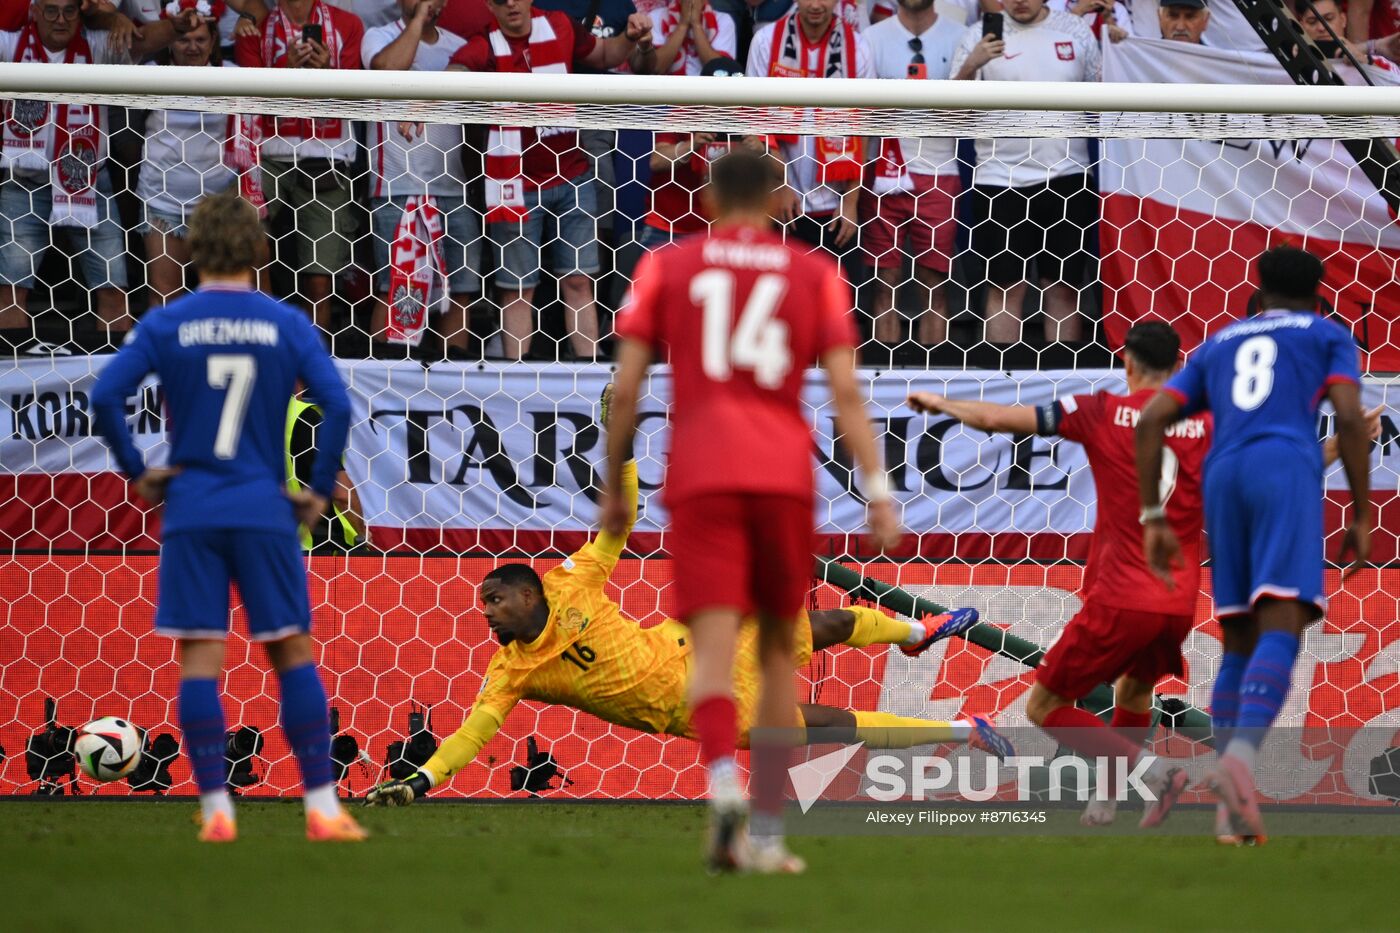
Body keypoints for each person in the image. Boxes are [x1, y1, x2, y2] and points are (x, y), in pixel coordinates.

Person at [365, 390, 1005, 812]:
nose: (487, 611)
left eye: (496, 598)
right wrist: (422, 781)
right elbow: (471, 736)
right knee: (832, 723)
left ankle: (915, 634)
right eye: (486, 603)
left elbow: (617, 525)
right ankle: (963, 730)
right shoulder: (513, 672)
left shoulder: (571, 581)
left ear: (531, 592)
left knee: (829, 619)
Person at [604, 149, 901, 873]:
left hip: (702, 473)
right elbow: (846, 393)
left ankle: (723, 784)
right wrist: (880, 489)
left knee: (709, 653)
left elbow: (627, 382)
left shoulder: (667, 266)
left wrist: (614, 479)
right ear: (778, 199)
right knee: (774, 659)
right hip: (782, 476)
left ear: (706, 198)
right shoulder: (812, 274)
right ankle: (767, 831)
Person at [90, 192, 364, 843]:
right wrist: (319, 489)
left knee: (199, 661)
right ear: (259, 250)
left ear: (190, 249)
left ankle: (216, 809)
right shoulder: (286, 323)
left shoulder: (167, 323)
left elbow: (105, 393)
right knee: (292, 652)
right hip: (264, 508)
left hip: (193, 509)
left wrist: (138, 469)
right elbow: (338, 406)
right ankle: (322, 807)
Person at [909, 323, 1204, 829]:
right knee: (1135, 692)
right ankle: (1109, 801)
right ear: (1179, 367)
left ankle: (1155, 774)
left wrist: (941, 403)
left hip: (1120, 595)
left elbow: (997, 417)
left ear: (1127, 364)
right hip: (1179, 599)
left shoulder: (1097, 411)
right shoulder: (1207, 422)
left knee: (1045, 705)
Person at [1135, 246, 1372, 843]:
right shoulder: (1326, 335)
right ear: (1320, 294)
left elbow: (1150, 419)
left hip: (1224, 477)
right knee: (1283, 625)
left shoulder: (1220, 342)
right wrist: (1363, 512)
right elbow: (1347, 414)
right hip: (1283, 469)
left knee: (1239, 636)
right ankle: (1236, 766)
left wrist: (1153, 513)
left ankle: (1229, 810)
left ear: (1258, 291)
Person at [447, 0, 656, 361]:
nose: (510, 3)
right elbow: (452, 74)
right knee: (517, 291)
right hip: (514, 183)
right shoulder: (483, 43)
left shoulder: (560, 25)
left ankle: (590, 379)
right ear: (488, 6)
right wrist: (419, 106)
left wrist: (630, 37)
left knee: (579, 281)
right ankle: (516, 381)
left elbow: (605, 53)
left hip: (572, 174)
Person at [0, 2, 194, 354]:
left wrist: (177, 26)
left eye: (69, 11)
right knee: (11, 292)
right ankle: (12, 386)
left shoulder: (99, 43)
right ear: (34, 11)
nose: (60, 20)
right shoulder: (9, 44)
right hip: (24, 181)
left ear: (81, 12)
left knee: (113, 289)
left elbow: (144, 40)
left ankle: (116, 387)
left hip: (89, 180)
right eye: (51, 10)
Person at [951, 0, 1100, 355]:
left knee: (1064, 287)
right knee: (1005, 288)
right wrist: (973, 64)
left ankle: (1063, 387)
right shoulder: (976, 35)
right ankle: (1002, 389)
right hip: (999, 179)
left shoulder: (1077, 32)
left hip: (1069, 175)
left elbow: (1103, 100)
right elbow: (952, 112)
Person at [235, 0, 365, 334]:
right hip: (269, 153)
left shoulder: (348, 24)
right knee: (248, 239)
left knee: (319, 279)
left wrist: (326, 73)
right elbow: (247, 96)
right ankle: (263, 338)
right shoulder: (253, 27)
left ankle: (311, 362)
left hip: (328, 154)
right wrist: (285, 68)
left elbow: (356, 95)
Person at [362, 0, 479, 356]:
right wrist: (417, 22)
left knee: (458, 291)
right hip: (397, 187)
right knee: (397, 288)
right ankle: (384, 382)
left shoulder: (458, 46)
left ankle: (452, 381)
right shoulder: (378, 37)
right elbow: (386, 71)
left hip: (453, 188)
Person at [861, 0, 966, 356]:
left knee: (934, 284)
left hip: (940, 172)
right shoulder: (871, 37)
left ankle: (934, 381)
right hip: (883, 171)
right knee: (883, 282)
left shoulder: (961, 37)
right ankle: (882, 379)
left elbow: (968, 112)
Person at [746, 0, 873, 269]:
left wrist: (851, 203)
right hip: (780, 204)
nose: (816, 5)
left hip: (836, 208)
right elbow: (755, 121)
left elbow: (862, 126)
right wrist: (779, 185)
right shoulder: (766, 41)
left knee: (840, 307)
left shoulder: (858, 47)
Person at [137, 5, 245, 306]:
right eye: (184, 38)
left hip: (218, 205)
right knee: (164, 299)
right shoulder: (150, 76)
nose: (193, 47)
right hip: (161, 202)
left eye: (200, 39)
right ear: (171, 41)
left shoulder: (234, 77)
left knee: (229, 301)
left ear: (213, 41)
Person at [286, 393, 365, 550]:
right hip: (317, 547)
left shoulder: (246, 418)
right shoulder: (304, 416)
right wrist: (361, 534)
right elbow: (342, 495)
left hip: (267, 541)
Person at [650, 0, 735, 74]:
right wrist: (683, 24)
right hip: (666, 88)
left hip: (707, 89)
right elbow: (656, 68)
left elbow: (720, 71)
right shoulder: (656, 16)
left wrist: (696, 24)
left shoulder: (724, 20)